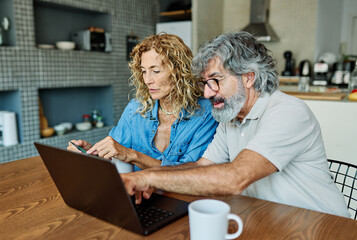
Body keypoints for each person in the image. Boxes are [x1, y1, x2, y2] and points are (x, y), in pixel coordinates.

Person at [121, 31, 351, 218]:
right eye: (205, 83)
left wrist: (147, 177)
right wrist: (156, 176)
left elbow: (235, 178)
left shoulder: (288, 111)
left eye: (216, 81)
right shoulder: (230, 117)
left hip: (324, 225)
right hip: (270, 219)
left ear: (248, 77)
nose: (207, 92)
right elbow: (201, 167)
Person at [68, 33, 218, 170]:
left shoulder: (205, 113)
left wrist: (134, 156)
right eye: (144, 71)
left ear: (179, 71)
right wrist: (91, 152)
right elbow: (117, 156)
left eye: (156, 71)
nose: (147, 80)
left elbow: (192, 173)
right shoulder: (135, 109)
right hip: (137, 196)